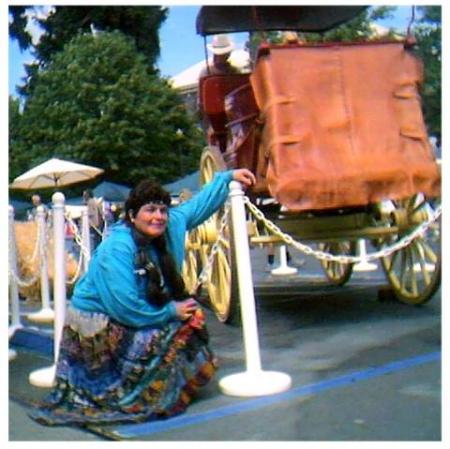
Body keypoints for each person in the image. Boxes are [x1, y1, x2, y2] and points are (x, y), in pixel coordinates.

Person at [30, 168, 256, 426]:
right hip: (98, 325)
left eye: (162, 210)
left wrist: (226, 178)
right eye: (150, 210)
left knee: (191, 317)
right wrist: (171, 311)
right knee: (176, 327)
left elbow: (198, 206)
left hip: (133, 311)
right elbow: (125, 309)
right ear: (132, 216)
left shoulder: (170, 226)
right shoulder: (117, 248)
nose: (158, 217)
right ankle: (137, 394)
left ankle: (160, 388)